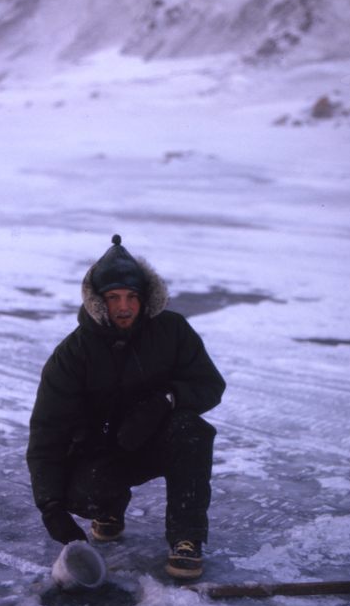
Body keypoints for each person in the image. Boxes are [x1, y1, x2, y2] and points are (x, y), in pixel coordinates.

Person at [26, 235, 226, 579]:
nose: (124, 307)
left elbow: (210, 385)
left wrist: (168, 399)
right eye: (114, 297)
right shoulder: (72, 354)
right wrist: (51, 507)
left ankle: (186, 539)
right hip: (101, 452)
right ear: (98, 301)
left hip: (154, 442)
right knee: (84, 494)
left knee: (192, 431)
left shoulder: (172, 330)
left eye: (132, 297)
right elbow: (47, 431)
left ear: (145, 298)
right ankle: (109, 509)